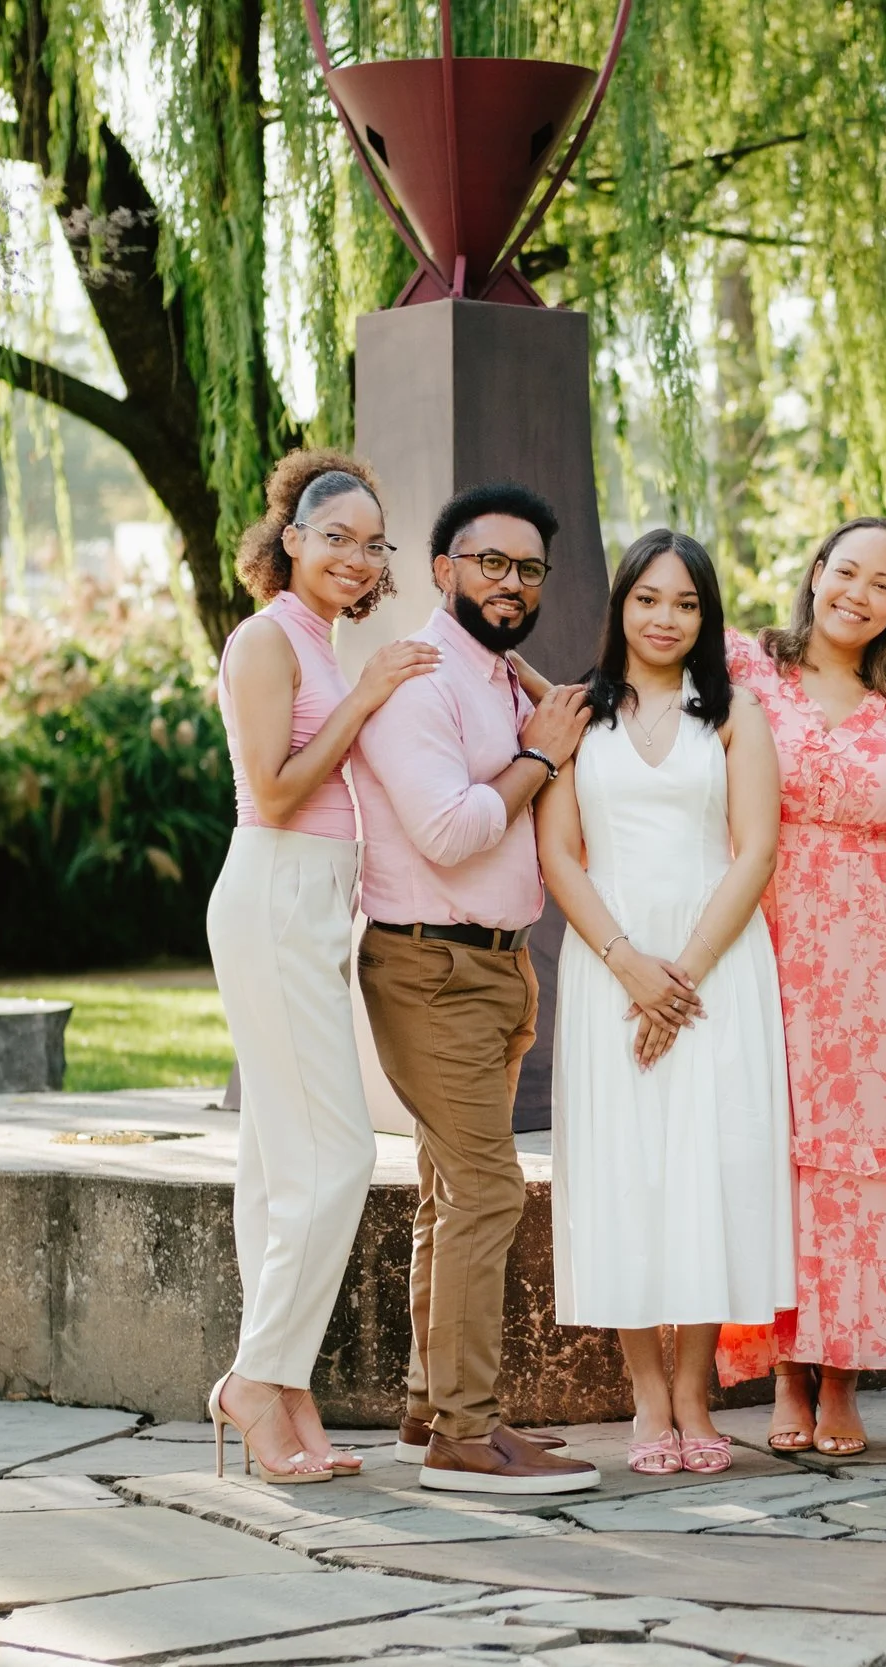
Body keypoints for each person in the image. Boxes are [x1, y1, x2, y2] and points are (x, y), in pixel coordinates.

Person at [350, 481, 601, 1496]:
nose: (510, 582)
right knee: (490, 1186)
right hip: (430, 964)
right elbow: (451, 831)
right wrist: (543, 754)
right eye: (489, 563)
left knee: (451, 1189)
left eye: (528, 568)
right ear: (443, 569)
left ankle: (427, 1405)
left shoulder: (493, 676)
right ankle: (466, 1429)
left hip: (495, 963)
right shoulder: (420, 682)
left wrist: (537, 712)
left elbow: (539, 718)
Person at [204, 450, 440, 1483]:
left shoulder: (324, 643)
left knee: (275, 1163)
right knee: (337, 1154)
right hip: (272, 889)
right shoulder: (268, 639)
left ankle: (285, 1395)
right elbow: (276, 783)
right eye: (334, 535)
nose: (354, 555)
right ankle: (255, 1380)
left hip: (309, 904)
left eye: (371, 542)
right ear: (289, 540)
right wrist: (372, 691)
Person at [539, 529, 792, 1478]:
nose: (665, 618)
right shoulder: (579, 716)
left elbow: (755, 850)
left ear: (706, 615)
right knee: (628, 1173)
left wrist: (677, 974)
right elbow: (560, 852)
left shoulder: (734, 716)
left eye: (685, 603)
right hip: (610, 963)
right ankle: (647, 1393)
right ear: (620, 606)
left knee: (705, 1169)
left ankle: (698, 1389)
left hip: (717, 965)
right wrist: (628, 964)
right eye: (648, 598)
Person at [711, 518, 886, 1458]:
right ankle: (785, 1368)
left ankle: (845, 1374)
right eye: (845, 570)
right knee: (778, 1150)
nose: (858, 592)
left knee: (860, 1159)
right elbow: (632, 688)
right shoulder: (747, 668)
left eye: (883, 584)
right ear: (815, 573)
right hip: (767, 938)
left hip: (877, 960)